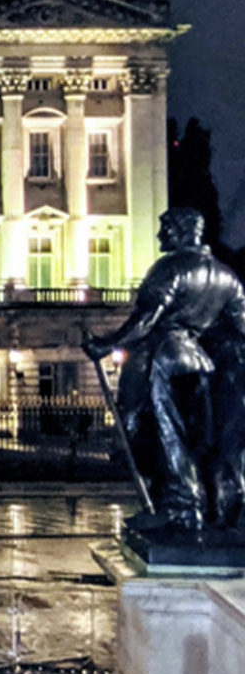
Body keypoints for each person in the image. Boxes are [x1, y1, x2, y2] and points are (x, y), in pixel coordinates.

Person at [84, 208, 245, 532]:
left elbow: (146, 321)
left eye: (166, 229)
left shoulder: (171, 268)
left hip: (161, 358)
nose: (160, 236)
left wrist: (105, 344)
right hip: (200, 360)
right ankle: (208, 508)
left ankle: (181, 509)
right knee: (196, 439)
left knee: (163, 434)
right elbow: (240, 328)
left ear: (186, 230)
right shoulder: (227, 276)